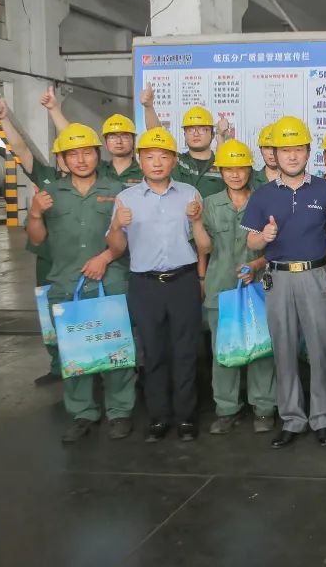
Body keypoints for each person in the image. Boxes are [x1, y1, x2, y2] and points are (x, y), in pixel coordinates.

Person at [26, 123, 135, 443]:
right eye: (72, 154)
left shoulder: (118, 190)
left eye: (87, 152)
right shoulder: (50, 195)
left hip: (110, 281)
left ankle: (120, 411)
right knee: (74, 353)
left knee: (115, 350)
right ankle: (82, 413)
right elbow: (38, 239)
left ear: (97, 155)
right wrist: (35, 214)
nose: (81, 159)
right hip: (66, 284)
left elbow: (129, 237)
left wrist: (105, 258)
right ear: (62, 159)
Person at [241, 117, 326, 449]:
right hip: (278, 277)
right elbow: (252, 243)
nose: (292, 156)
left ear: (308, 152)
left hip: (316, 275)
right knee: (283, 349)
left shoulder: (325, 190)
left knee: (321, 348)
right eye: (285, 150)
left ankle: (323, 418)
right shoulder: (262, 195)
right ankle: (292, 419)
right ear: (274, 154)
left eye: (298, 149)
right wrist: (264, 236)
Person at [107, 127, 205, 442]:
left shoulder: (190, 194)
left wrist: (196, 221)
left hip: (183, 281)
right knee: (153, 352)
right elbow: (116, 247)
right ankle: (159, 417)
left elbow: (204, 245)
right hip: (145, 285)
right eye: (150, 157)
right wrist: (117, 226)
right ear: (141, 160)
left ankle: (186, 418)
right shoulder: (126, 199)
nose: (157, 163)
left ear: (174, 160)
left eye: (164, 157)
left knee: (186, 351)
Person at [190, 139, 276, 436]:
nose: (235, 174)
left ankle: (264, 408)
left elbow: (278, 247)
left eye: (241, 168)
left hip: (260, 287)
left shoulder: (265, 201)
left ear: (250, 169)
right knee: (223, 352)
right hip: (221, 289)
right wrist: (196, 223)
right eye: (229, 169)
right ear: (220, 171)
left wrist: (257, 264)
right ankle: (227, 409)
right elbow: (205, 248)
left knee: (262, 349)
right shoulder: (210, 204)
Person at [0, 95, 65, 384]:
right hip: (48, 260)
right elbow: (21, 149)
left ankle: (88, 364)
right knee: (49, 312)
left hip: (78, 260)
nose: (72, 159)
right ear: (58, 158)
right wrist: (3, 120)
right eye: (63, 154)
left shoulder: (94, 184)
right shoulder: (46, 177)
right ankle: (57, 366)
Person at [41, 85, 143, 185]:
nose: (119, 141)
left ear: (134, 140)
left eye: (125, 136)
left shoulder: (144, 170)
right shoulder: (97, 168)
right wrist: (54, 109)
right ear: (105, 141)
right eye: (113, 137)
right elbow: (71, 134)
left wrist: (148, 106)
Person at [141, 88, 225, 198]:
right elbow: (156, 133)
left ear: (212, 134)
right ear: (184, 135)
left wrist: (221, 137)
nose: (196, 134)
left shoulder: (221, 164)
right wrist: (148, 107)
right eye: (190, 129)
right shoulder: (176, 161)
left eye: (202, 129)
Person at [250, 124, 280, 189]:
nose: (272, 153)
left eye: (276, 148)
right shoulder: (250, 179)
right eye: (267, 147)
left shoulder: (295, 179)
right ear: (261, 149)